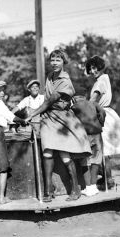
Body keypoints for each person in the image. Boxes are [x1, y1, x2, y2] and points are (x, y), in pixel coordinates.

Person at [25, 49, 92, 202]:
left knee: (64, 154)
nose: (54, 63)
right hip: (48, 117)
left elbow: (50, 100)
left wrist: (32, 114)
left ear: (63, 62)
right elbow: (46, 101)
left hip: (62, 119)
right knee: (47, 151)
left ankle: (75, 188)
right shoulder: (49, 77)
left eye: (58, 60)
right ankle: (48, 189)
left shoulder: (65, 81)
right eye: (52, 60)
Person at [85, 55, 120, 189]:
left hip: (103, 115)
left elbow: (93, 100)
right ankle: (106, 178)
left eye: (95, 67)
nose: (93, 70)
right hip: (106, 113)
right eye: (91, 68)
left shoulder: (100, 82)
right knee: (102, 150)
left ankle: (108, 179)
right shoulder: (105, 78)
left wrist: (80, 104)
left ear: (101, 67)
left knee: (104, 150)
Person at [71, 84, 106, 196]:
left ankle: (88, 187)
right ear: (85, 96)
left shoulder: (74, 107)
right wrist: (101, 123)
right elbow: (103, 112)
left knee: (85, 161)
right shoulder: (93, 103)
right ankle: (94, 186)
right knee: (96, 160)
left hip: (85, 135)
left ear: (74, 97)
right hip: (97, 134)